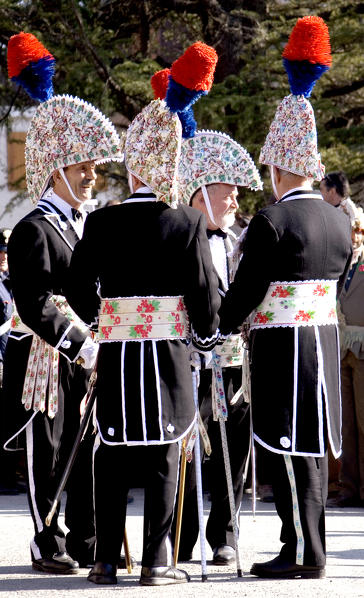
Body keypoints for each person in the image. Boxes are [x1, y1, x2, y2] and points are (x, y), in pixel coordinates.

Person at [66, 42, 220, 587]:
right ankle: (157, 561)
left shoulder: (102, 224)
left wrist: (105, 318)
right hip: (168, 353)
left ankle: (107, 559)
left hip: (118, 350)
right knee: (162, 449)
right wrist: (207, 337)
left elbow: (77, 283)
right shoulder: (186, 224)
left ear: (134, 164)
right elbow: (204, 294)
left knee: (111, 451)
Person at [219, 16, 352, 579]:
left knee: (285, 446)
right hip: (323, 338)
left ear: (277, 167)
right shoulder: (339, 219)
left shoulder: (273, 220)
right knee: (312, 447)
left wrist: (220, 318)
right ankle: (305, 546)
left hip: (284, 346)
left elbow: (247, 290)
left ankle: (302, 551)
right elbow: (343, 278)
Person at [2, 32, 123, 574]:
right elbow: (35, 300)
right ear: (56, 170)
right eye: (82, 167)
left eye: (94, 166)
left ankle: (86, 537)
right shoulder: (31, 230)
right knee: (48, 452)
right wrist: (81, 343)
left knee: (88, 447)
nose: (91, 175)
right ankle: (45, 540)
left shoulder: (91, 226)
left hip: (90, 353)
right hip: (46, 357)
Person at [174, 129, 262, 565]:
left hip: (233, 362)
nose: (234, 203)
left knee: (236, 445)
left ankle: (225, 533)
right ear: (199, 196)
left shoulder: (238, 241)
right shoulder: (177, 241)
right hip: (189, 360)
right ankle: (182, 535)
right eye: (226, 194)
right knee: (188, 447)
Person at [327, 201, 364, 508]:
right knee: (346, 424)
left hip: (363, 348)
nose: (352, 236)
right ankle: (348, 488)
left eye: (356, 229)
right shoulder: (340, 262)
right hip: (341, 350)